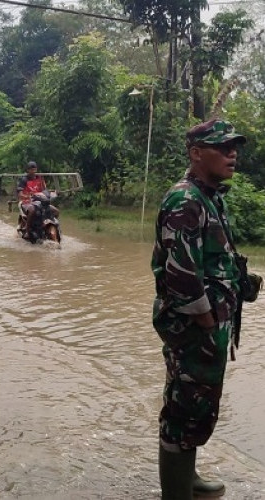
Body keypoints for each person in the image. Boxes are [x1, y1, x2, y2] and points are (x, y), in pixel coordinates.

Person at [151, 119, 246, 499]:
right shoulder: (185, 200)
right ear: (195, 153)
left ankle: (187, 479)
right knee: (183, 409)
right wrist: (207, 322)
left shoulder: (211, 196)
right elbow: (181, 275)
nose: (232, 154)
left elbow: (211, 259)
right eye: (222, 148)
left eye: (233, 147)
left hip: (210, 327)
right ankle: (176, 492)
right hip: (193, 329)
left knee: (197, 407)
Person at [16, 161, 58, 240]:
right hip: (27, 201)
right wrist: (29, 196)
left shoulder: (40, 178)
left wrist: (51, 194)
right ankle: (27, 231)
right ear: (28, 170)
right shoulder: (24, 180)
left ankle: (56, 228)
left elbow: (45, 190)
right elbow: (20, 194)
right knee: (32, 210)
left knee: (56, 211)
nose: (33, 172)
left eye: (35, 170)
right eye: (31, 170)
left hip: (40, 201)